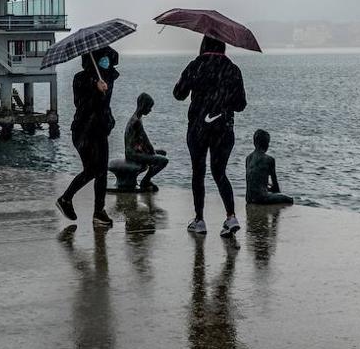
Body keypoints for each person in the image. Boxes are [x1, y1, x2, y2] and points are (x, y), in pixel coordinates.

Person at [173, 35, 246, 236]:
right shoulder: (232, 69)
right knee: (219, 172)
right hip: (223, 127)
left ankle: (199, 219)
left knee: (198, 171)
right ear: (223, 45)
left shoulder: (195, 65)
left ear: (203, 45)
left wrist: (188, 82)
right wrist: (224, 100)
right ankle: (231, 217)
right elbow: (241, 105)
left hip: (198, 127)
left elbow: (178, 94)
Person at [57, 47, 119, 228]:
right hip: (84, 130)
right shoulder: (80, 79)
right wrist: (94, 86)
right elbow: (81, 105)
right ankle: (66, 198)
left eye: (107, 59)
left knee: (101, 171)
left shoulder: (107, 77)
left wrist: (109, 118)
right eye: (102, 59)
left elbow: (103, 106)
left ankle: (99, 211)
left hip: (100, 129)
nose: (106, 61)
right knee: (93, 169)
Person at [124, 93, 168, 191]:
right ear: (143, 106)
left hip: (134, 150)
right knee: (163, 160)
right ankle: (146, 180)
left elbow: (141, 141)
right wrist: (153, 154)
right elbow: (146, 141)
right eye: (149, 107)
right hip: (133, 154)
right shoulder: (137, 121)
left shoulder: (136, 117)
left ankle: (147, 179)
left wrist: (153, 154)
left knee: (162, 153)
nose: (150, 110)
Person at [245, 130, 293, 205]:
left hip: (249, 198)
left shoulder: (248, 158)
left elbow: (252, 180)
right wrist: (271, 188)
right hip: (262, 198)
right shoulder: (269, 160)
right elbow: (276, 188)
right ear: (267, 145)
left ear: (254, 143)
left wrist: (266, 186)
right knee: (289, 200)